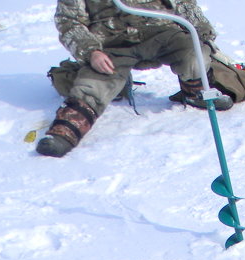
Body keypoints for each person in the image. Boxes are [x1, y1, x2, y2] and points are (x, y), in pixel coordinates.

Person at [37, 0, 231, 158]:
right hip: (110, 42)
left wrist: (202, 33)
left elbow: (184, 4)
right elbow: (68, 21)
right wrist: (91, 52)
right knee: (94, 85)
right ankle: (64, 133)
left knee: (194, 55)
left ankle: (196, 92)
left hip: (160, 31)